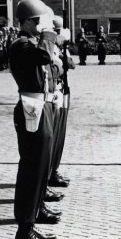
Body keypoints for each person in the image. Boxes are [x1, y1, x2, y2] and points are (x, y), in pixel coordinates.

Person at [9, 0, 62, 239]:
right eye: (39, 20)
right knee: (32, 168)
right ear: (29, 21)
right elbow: (44, 56)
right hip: (31, 108)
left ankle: (34, 215)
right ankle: (24, 230)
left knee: (41, 166)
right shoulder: (21, 44)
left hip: (40, 106)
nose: (43, 24)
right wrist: (48, 34)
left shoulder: (31, 42)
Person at [48, 16, 73, 195]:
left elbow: (71, 64)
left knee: (60, 136)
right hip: (54, 93)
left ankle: (53, 170)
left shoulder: (60, 48)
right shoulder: (49, 49)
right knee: (54, 135)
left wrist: (64, 50)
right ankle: (49, 172)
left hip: (62, 91)